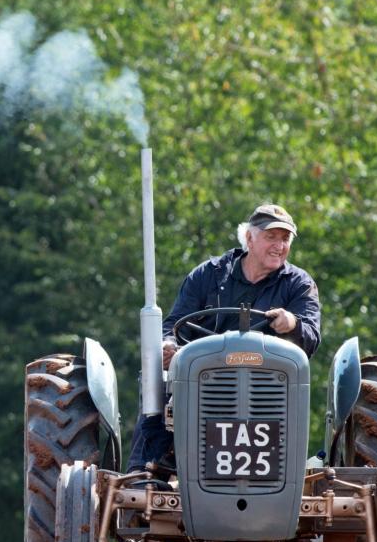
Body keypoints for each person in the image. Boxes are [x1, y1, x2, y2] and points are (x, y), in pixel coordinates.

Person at [127, 203, 322, 474]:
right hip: (204, 379)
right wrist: (168, 345)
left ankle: (285, 474)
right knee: (157, 381)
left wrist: (292, 324)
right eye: (271, 237)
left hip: (267, 386)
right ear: (249, 238)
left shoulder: (299, 284)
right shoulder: (208, 275)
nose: (279, 245)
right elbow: (173, 325)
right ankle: (143, 472)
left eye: (285, 238)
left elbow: (311, 336)